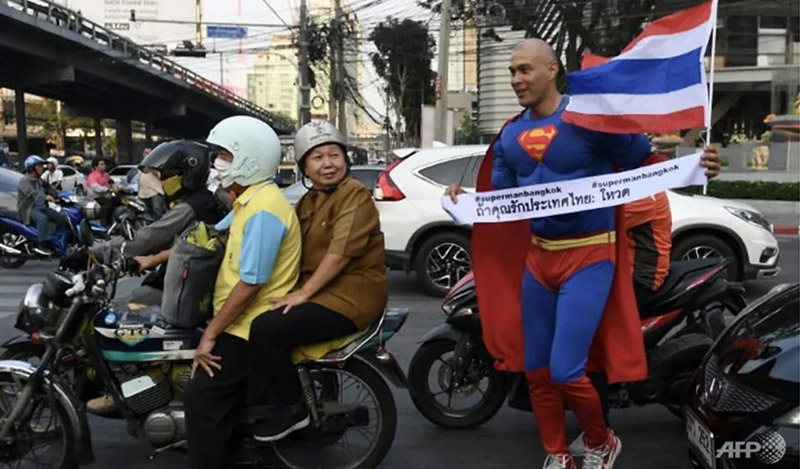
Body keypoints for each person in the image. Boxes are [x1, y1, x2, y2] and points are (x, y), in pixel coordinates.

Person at [444, 39, 721, 469]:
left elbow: (645, 162)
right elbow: (499, 198)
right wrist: (464, 200)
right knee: (535, 369)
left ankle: (600, 438)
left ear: (551, 70)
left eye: (524, 70)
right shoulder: (510, 135)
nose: (516, 79)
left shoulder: (593, 121)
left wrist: (696, 165)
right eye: (512, 71)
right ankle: (557, 453)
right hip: (540, 260)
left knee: (565, 369)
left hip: (590, 257)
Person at [248, 121, 387, 442]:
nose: (328, 164)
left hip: (351, 298)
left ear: (345, 159)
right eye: (317, 157)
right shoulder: (311, 201)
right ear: (304, 168)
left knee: (266, 329)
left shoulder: (355, 195)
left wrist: (303, 294)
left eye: (334, 155)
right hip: (322, 292)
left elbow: (339, 253)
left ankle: (291, 408)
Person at [183, 116, 302, 469]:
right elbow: (212, 235)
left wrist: (211, 334)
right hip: (240, 320)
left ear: (249, 158)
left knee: (201, 399)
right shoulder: (248, 200)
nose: (217, 164)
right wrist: (152, 257)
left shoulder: (264, 210)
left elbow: (251, 283)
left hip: (247, 326)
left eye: (224, 155)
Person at [16, 155, 67, 256]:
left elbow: (50, 188)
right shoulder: (24, 181)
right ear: (31, 168)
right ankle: (42, 244)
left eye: (41, 166)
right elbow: (33, 193)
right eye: (39, 166)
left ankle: (56, 240)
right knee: (42, 218)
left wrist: (60, 194)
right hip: (28, 209)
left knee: (61, 217)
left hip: (41, 206)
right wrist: (45, 197)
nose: (41, 168)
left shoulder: (39, 180)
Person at [137, 149, 167, 220]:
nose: (146, 154)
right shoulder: (141, 165)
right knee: (146, 213)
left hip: (155, 192)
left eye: (148, 153)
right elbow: (139, 179)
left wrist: (152, 167)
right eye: (145, 153)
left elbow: (160, 175)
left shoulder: (157, 163)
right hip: (143, 193)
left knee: (157, 211)